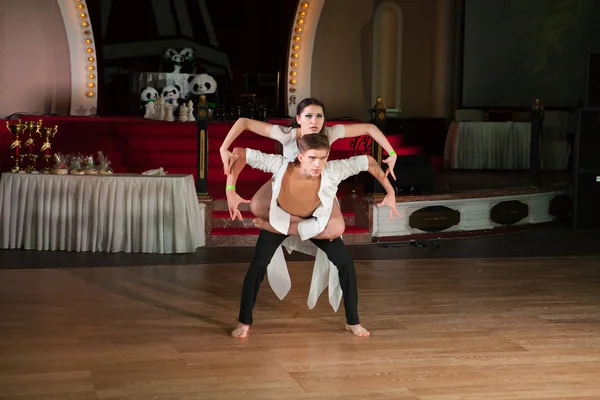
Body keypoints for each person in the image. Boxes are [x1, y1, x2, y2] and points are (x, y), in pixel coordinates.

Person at [229, 133, 400, 339]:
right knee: (259, 263)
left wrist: (390, 192)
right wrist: (230, 189)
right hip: (282, 218)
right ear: (300, 156)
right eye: (312, 158)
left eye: (323, 157)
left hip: (314, 222)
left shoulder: (334, 170)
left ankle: (353, 321)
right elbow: (241, 154)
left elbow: (370, 162)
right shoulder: (281, 165)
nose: (318, 164)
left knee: (345, 263)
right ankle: (244, 320)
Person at [219, 97, 397, 238]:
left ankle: (289, 228)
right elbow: (244, 122)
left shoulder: (329, 133)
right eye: (308, 116)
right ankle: (300, 225)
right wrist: (224, 152)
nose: (314, 121)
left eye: (319, 116)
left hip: (317, 184)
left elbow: (370, 128)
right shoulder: (287, 135)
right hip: (288, 182)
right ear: (298, 119)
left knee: (336, 228)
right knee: (258, 206)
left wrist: (392, 153)